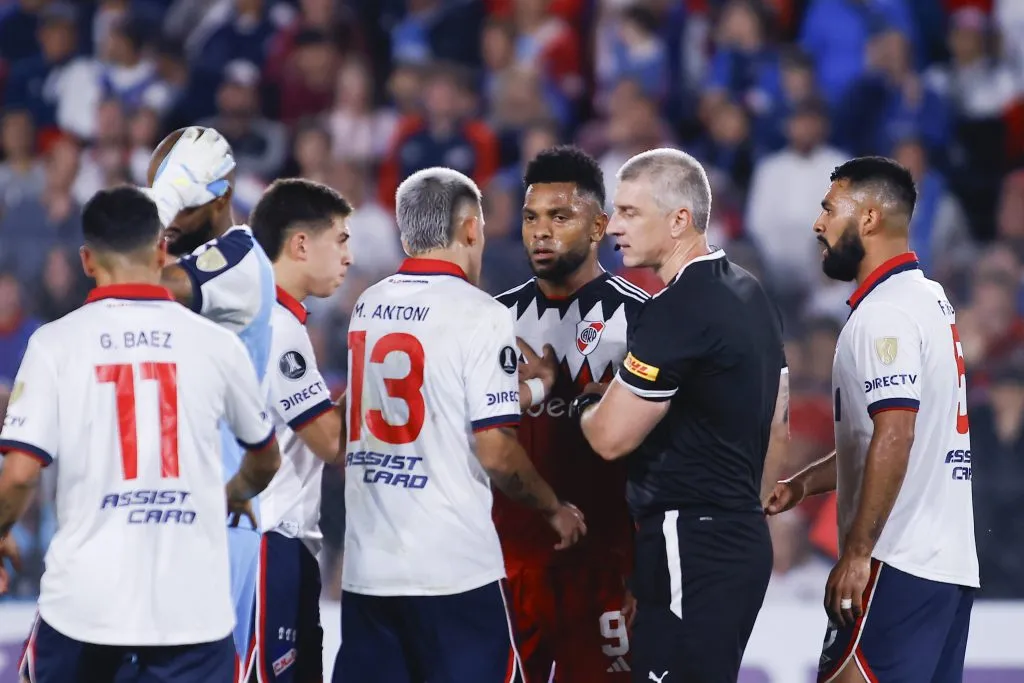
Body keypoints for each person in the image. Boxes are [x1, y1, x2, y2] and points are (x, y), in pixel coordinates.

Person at [0, 185, 281, 683]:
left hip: (84, 611)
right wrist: (234, 493)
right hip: (192, 614)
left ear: (87, 260)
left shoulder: (55, 344)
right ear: (160, 251)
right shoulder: (217, 345)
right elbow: (265, 459)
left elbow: (20, 474)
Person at [335, 167, 587, 683]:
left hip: (369, 572)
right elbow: (495, 451)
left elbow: (430, 407)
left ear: (407, 234)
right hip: (452, 574)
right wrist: (552, 507)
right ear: (472, 229)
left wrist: (535, 389)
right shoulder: (479, 314)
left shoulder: (369, 306)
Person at [570, 148, 789, 683]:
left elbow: (610, 438)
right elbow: (777, 424)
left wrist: (579, 405)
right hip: (738, 540)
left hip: (689, 540)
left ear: (679, 220)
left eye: (628, 212)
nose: (612, 226)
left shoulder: (678, 308)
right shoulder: (748, 290)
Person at [763, 157, 979, 683]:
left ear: (869, 219)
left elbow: (896, 435)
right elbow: (892, 437)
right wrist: (803, 485)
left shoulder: (885, 314)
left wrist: (857, 554)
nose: (818, 224)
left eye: (829, 208)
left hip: (894, 562)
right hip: (945, 566)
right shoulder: (929, 298)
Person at [494, 145, 647, 681]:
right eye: (532, 218)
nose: (541, 232)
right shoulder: (491, 320)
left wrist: (644, 574)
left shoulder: (643, 320)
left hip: (605, 571)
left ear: (599, 225)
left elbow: (664, 456)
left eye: (560, 217)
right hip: (509, 573)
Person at [146, 126, 278, 673]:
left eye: (183, 199)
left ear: (222, 197)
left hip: (216, 511)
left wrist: (159, 201)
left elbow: (145, 280)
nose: (171, 216)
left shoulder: (240, 259)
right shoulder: (196, 251)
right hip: (168, 511)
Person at [249, 178, 353, 683]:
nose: (347, 257)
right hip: (271, 538)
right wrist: (373, 377)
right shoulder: (278, 327)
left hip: (279, 539)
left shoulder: (253, 315)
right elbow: (330, 441)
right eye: (340, 239)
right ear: (300, 244)